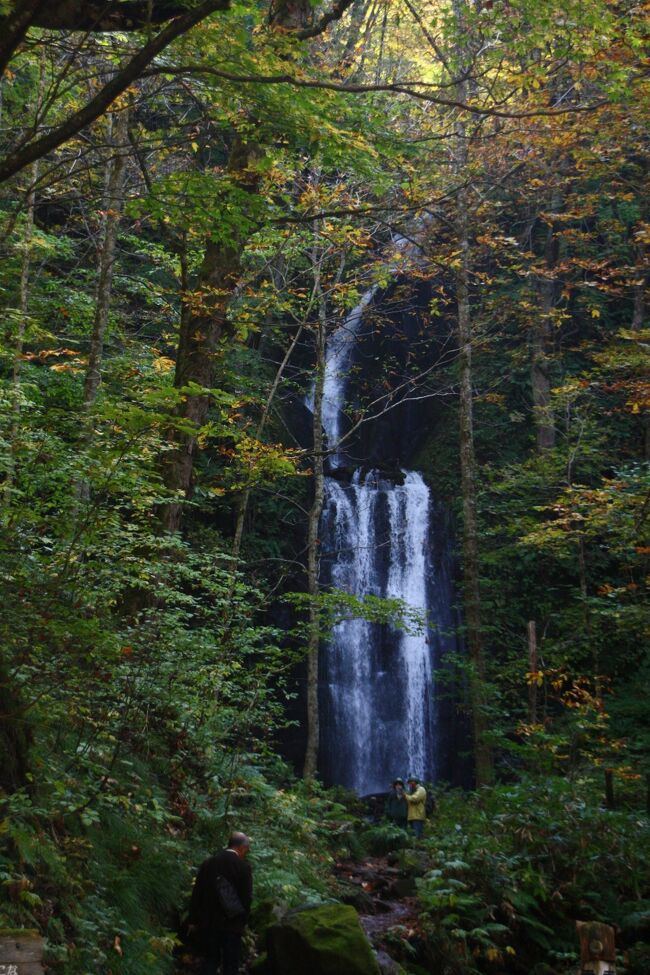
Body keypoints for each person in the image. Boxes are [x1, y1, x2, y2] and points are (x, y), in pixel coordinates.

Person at [189, 831, 253, 975]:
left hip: (209, 923)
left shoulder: (209, 863)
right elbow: (246, 898)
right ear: (242, 848)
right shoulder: (243, 867)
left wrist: (193, 919)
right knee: (231, 964)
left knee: (210, 960)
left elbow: (197, 893)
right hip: (232, 924)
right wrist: (243, 921)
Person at [405, 776, 427, 840]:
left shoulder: (421, 789)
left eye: (411, 782)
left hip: (418, 816)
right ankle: (414, 847)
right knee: (413, 834)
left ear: (415, 782)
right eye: (409, 783)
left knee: (417, 835)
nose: (410, 785)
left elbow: (415, 799)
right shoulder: (412, 791)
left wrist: (405, 795)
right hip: (412, 816)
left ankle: (418, 847)